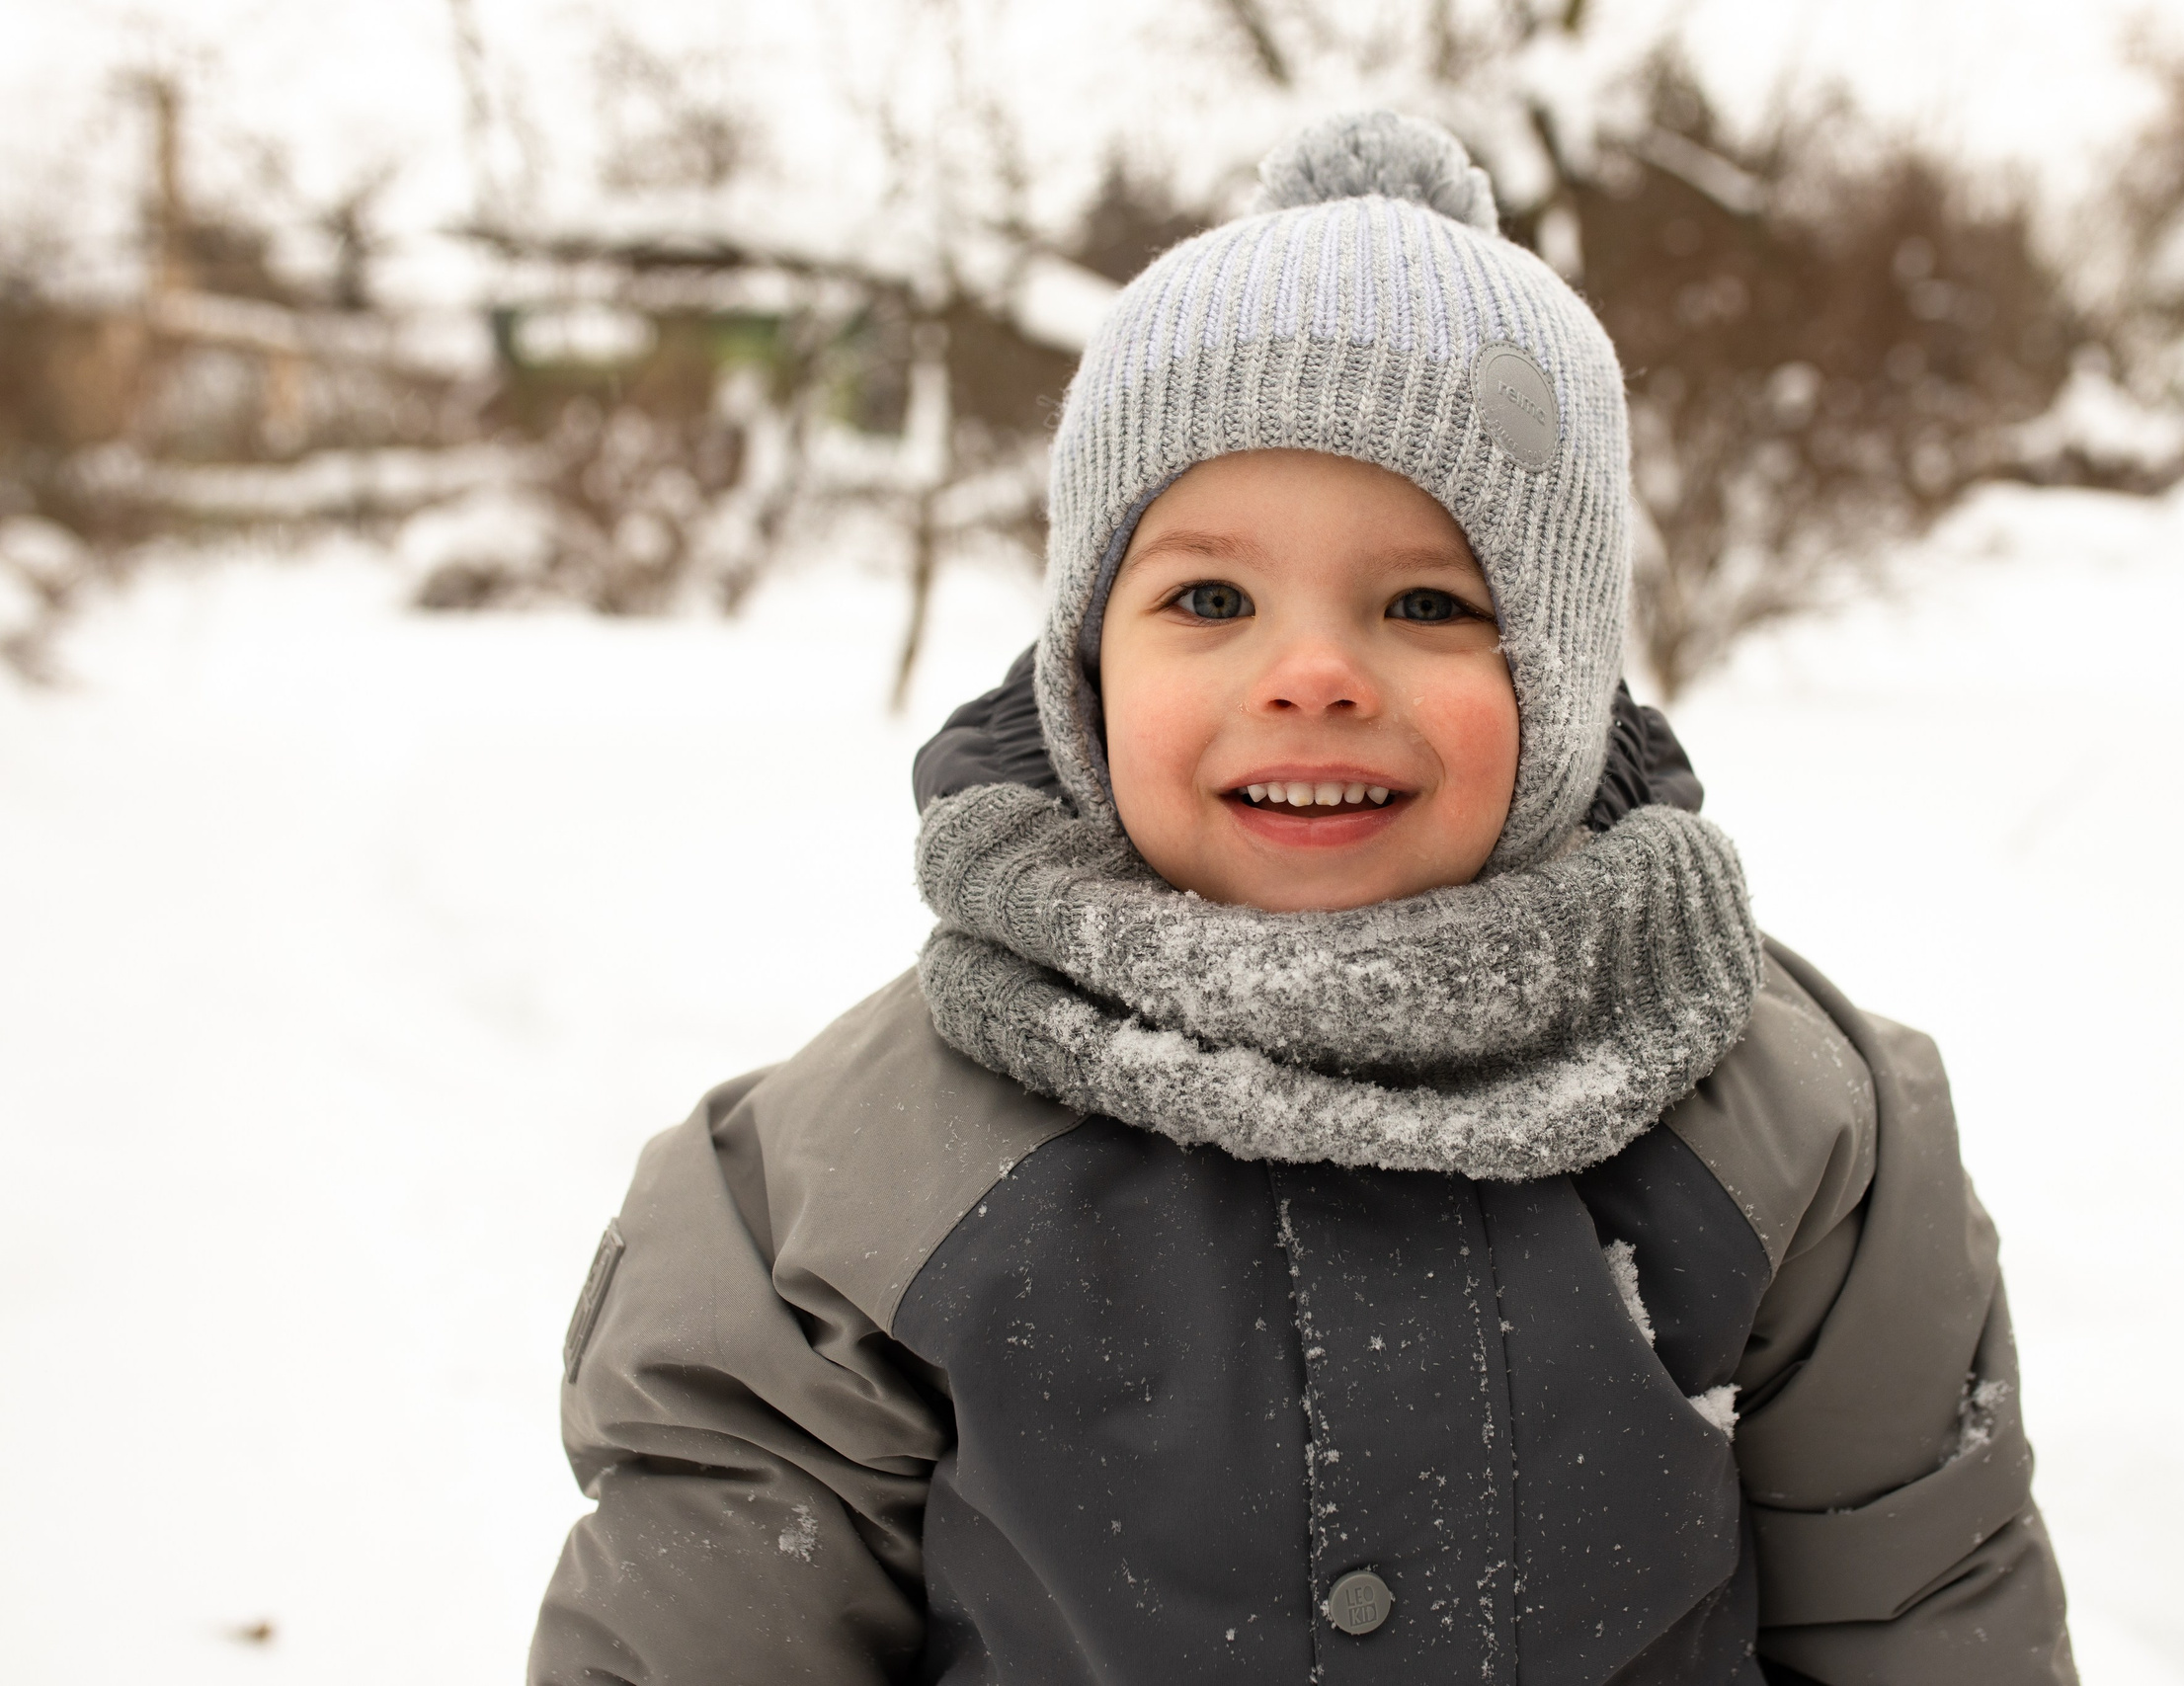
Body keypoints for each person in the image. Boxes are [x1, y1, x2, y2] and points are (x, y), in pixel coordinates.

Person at [528, 111, 2075, 1685]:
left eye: (1427, 601)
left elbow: (1920, 1614)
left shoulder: (1795, 1134)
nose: (1316, 674)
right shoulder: (840, 1190)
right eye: (1209, 597)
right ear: (1083, 669)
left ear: (1566, 677)